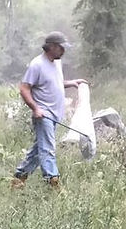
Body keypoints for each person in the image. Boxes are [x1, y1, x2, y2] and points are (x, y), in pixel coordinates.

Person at [10, 31, 88, 189]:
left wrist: (72, 82)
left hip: (55, 115)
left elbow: (55, 83)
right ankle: (53, 183)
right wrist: (35, 108)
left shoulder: (56, 63)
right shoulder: (37, 65)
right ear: (51, 47)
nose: (63, 51)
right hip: (43, 115)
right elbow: (24, 88)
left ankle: (19, 178)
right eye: (61, 47)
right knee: (48, 149)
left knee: (39, 149)